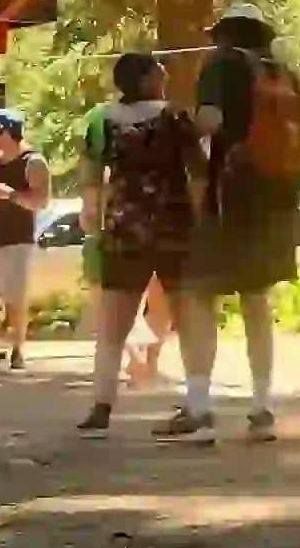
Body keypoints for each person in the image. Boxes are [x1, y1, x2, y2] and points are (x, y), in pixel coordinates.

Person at [175, 3, 300, 444]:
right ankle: (262, 407)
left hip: (229, 199)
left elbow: (210, 122)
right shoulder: (285, 74)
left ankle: (199, 406)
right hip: (275, 203)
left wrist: (185, 132)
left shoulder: (223, 64)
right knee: (256, 302)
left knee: (197, 295)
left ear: (225, 34)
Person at [75, 52, 206, 434]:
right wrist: (201, 219)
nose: (165, 73)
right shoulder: (175, 117)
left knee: (113, 324)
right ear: (147, 79)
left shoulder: (102, 120)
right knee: (188, 319)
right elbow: (197, 171)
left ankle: (101, 404)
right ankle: (199, 403)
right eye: (157, 69)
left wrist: (95, 224)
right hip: (172, 224)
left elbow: (90, 180)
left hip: (123, 226)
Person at [0, 109, 51, 367]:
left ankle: (17, 349)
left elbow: (41, 201)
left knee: (14, 299)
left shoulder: (34, 162)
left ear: (6, 132)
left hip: (17, 241)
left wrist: (10, 195)